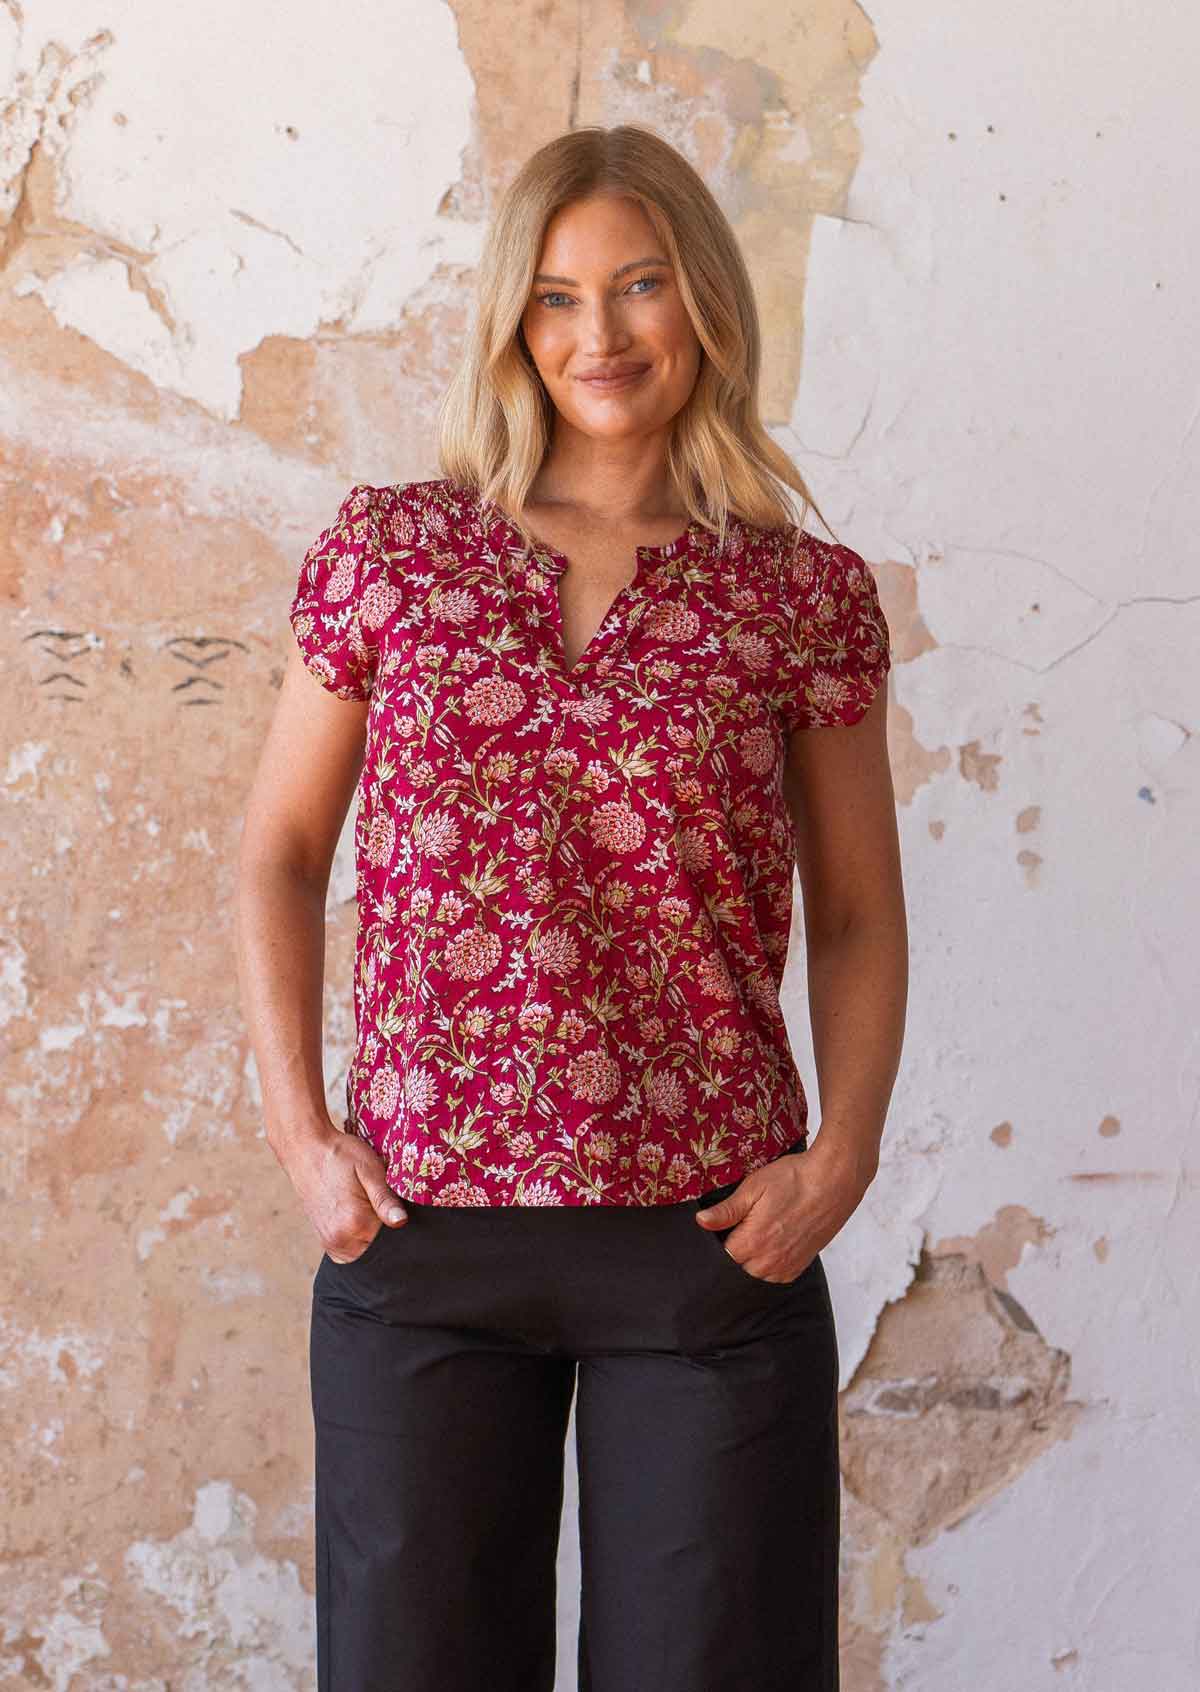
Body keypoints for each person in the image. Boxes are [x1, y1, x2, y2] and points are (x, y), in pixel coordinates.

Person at [236, 122, 907, 1692]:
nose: (596, 336)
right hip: (420, 1238)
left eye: (639, 285)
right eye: (552, 295)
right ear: (508, 320)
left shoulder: (799, 596)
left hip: (708, 1247)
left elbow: (860, 909)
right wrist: (298, 1138)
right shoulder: (393, 553)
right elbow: (279, 847)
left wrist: (846, 1156)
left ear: (707, 304)